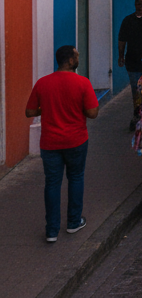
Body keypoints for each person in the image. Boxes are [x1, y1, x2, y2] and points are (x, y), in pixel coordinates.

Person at [26, 45, 99, 241]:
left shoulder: (42, 83)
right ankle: (74, 222)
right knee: (75, 178)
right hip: (76, 140)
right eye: (76, 56)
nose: (78, 59)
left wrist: (47, 108)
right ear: (69, 61)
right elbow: (92, 113)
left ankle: (51, 230)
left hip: (50, 143)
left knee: (52, 184)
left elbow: (30, 112)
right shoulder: (82, 83)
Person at [117, 0, 142, 130]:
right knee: (136, 91)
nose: (141, 8)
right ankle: (138, 115)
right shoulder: (128, 20)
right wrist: (121, 56)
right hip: (133, 62)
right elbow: (122, 40)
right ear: (135, 5)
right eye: (139, 5)